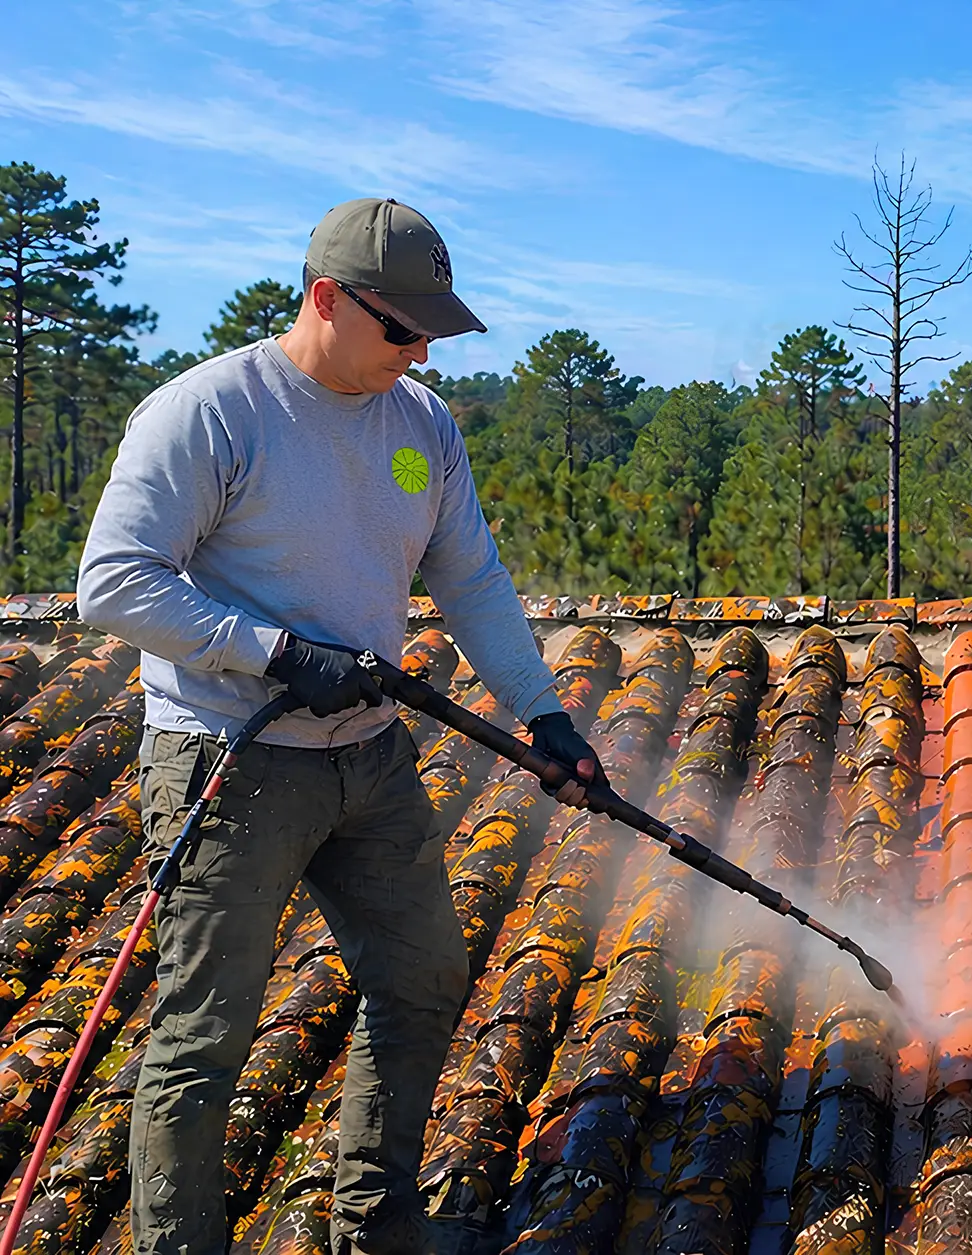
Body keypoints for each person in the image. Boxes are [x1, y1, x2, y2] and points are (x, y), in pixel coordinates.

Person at [76, 197, 606, 1255]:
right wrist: (272, 651)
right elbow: (113, 585)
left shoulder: (421, 426)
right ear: (326, 298)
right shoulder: (211, 412)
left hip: (366, 757)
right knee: (205, 1035)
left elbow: (474, 583)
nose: (419, 352)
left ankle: (375, 1221)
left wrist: (542, 712)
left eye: (433, 333)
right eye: (402, 329)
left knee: (420, 979)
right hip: (228, 760)